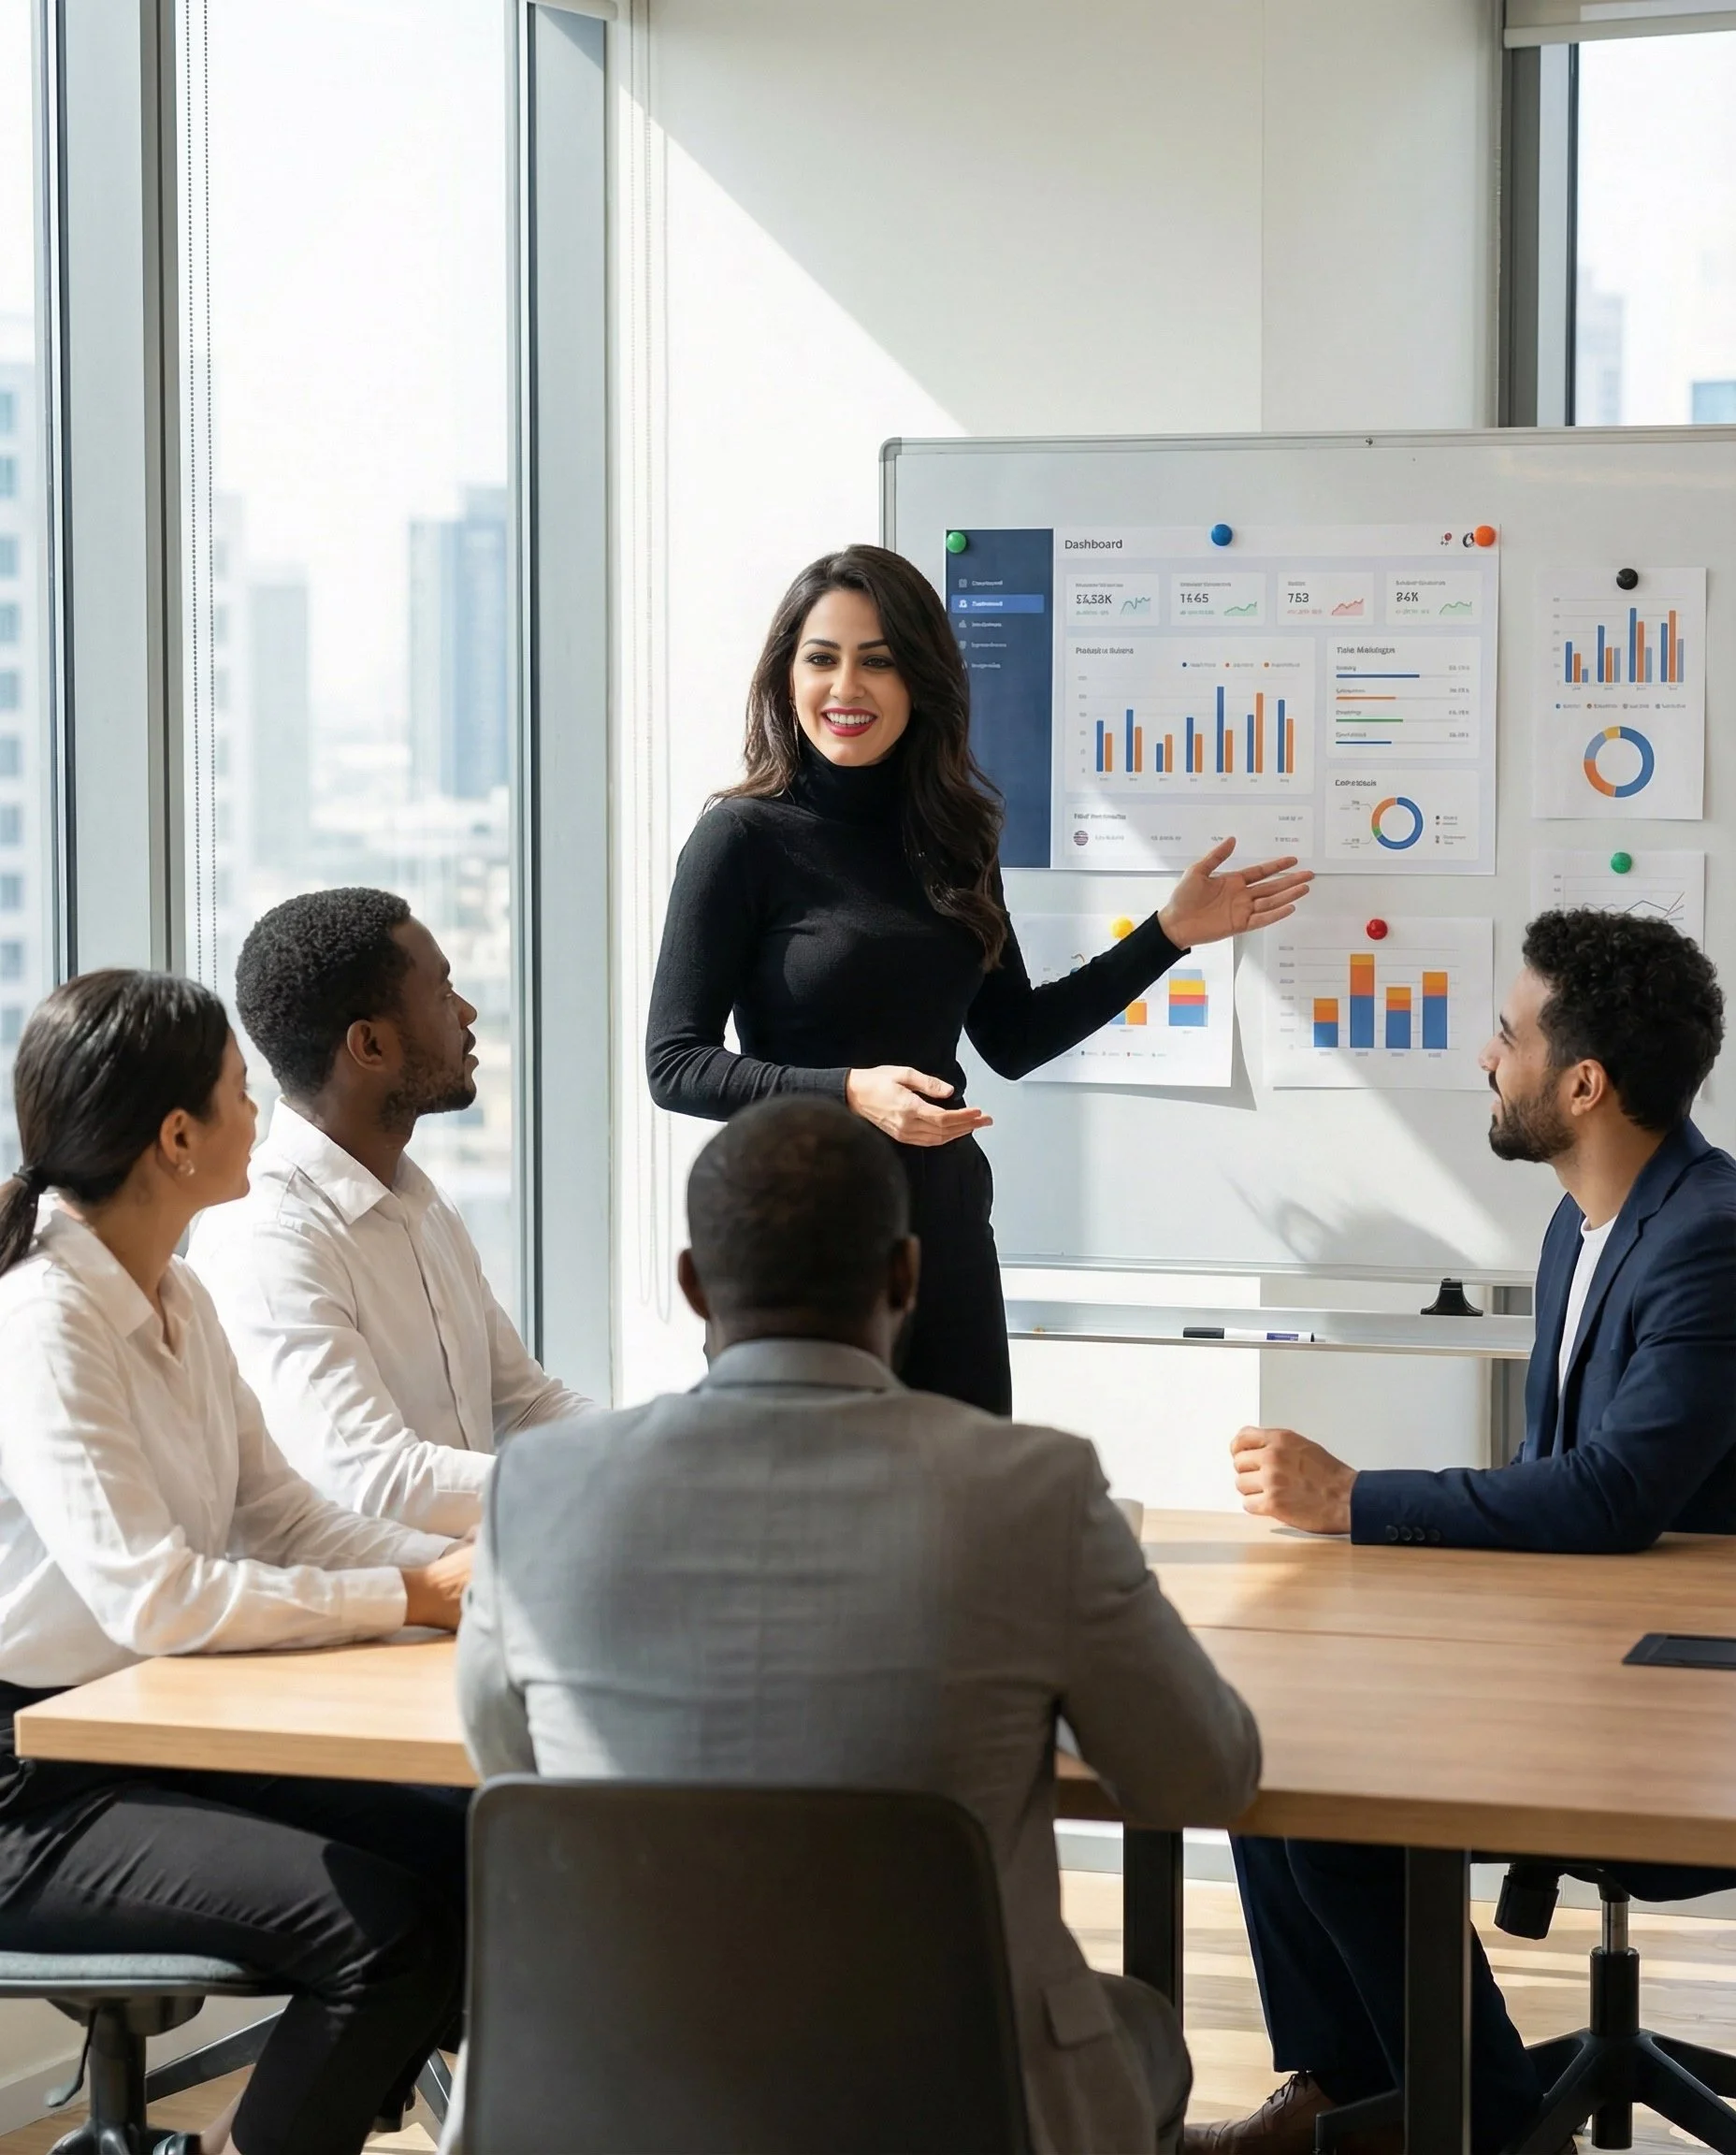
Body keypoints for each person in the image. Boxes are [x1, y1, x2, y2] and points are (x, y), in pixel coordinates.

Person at [456, 1094, 1262, 2155]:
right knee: (1142, 2026)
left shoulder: (536, 1486)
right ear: (905, 1278)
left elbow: (511, 1766)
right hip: (958, 2097)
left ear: (693, 1284)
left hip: (609, 2090)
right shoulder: (1032, 1490)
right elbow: (1198, 1777)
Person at [1194, 909, 1736, 2155]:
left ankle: (1477, 2120)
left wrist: (1355, 1500)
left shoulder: (1708, 1239)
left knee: (1329, 1795)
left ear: (1584, 1083)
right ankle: (1351, 2086)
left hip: (1671, 1708)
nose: (1488, 1061)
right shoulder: (1582, 1223)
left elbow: (1611, 1495)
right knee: (1262, 1750)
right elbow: (1557, 1472)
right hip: (1581, 1652)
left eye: (1509, 1036)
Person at [645, 543, 1310, 1415]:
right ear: (786, 676)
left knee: (964, 1509)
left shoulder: (955, 833)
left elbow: (1014, 1038)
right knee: (827, 1516)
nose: (846, 688)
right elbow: (677, 1065)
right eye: (822, 658)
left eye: (877, 662)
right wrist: (850, 1092)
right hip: (803, 1239)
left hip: (945, 1227)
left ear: (920, 680)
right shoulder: (741, 838)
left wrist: (1167, 935)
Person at [0, 969, 476, 2155]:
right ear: (177, 1138)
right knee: (381, 1939)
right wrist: (414, 1593)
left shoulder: (182, 1301)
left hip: (139, 1738)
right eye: (238, 1094)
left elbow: (290, 1518)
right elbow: (155, 1595)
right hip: (30, 1784)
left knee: (481, 1842)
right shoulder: (45, 1320)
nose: (260, 1117)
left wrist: (470, 1585)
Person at [189, 889, 591, 1536]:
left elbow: (524, 1408)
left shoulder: (419, 1201)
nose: (467, 1012)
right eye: (442, 995)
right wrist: (618, 1478)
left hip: (463, 1601)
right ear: (369, 1046)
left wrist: (659, 1452)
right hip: (366, 1626)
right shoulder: (266, 1237)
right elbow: (371, 1480)